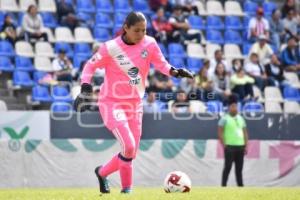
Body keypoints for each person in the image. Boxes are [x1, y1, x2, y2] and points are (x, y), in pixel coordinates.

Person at [73, 12, 193, 194]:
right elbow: (90, 66)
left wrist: (175, 72)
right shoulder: (110, 48)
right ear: (125, 28)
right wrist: (85, 88)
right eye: (137, 30)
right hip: (111, 102)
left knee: (131, 152)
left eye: (144, 30)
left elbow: (161, 64)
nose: (141, 34)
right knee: (128, 146)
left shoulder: (150, 43)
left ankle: (102, 172)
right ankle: (126, 191)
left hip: (135, 105)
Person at [218, 94, 249, 187]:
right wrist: (224, 145)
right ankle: (223, 186)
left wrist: (246, 145)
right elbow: (220, 133)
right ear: (229, 107)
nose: (234, 108)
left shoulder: (241, 119)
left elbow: (245, 133)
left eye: (235, 106)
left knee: (239, 169)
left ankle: (240, 186)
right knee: (227, 167)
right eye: (232, 106)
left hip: (240, 146)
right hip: (230, 147)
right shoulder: (224, 119)